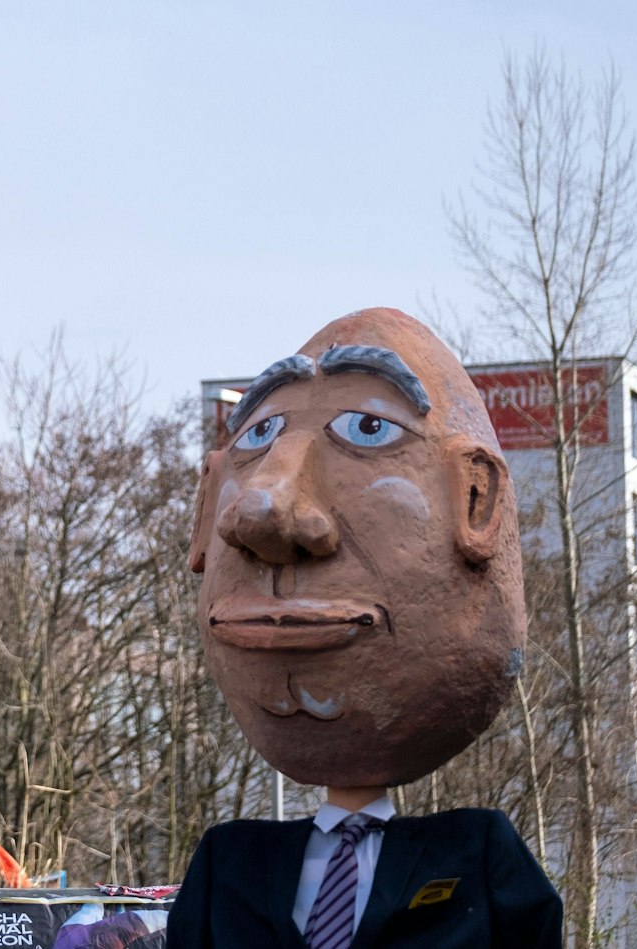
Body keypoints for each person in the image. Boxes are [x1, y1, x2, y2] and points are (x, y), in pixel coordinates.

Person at [167, 308, 562, 947]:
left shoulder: (483, 861)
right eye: (259, 434)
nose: (263, 512)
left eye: (369, 428)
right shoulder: (227, 867)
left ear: (476, 501)